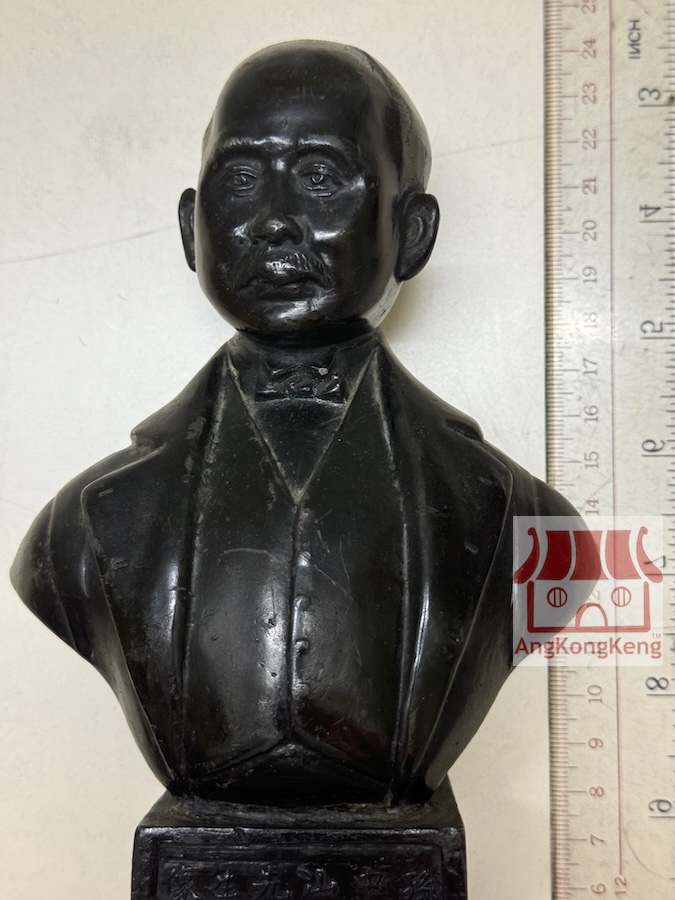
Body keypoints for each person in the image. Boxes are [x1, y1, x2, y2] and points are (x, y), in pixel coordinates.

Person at [12, 41, 578, 808]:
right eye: (241, 180)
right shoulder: (77, 531)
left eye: (318, 177)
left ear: (411, 232)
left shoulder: (526, 522)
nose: (274, 222)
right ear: (190, 228)